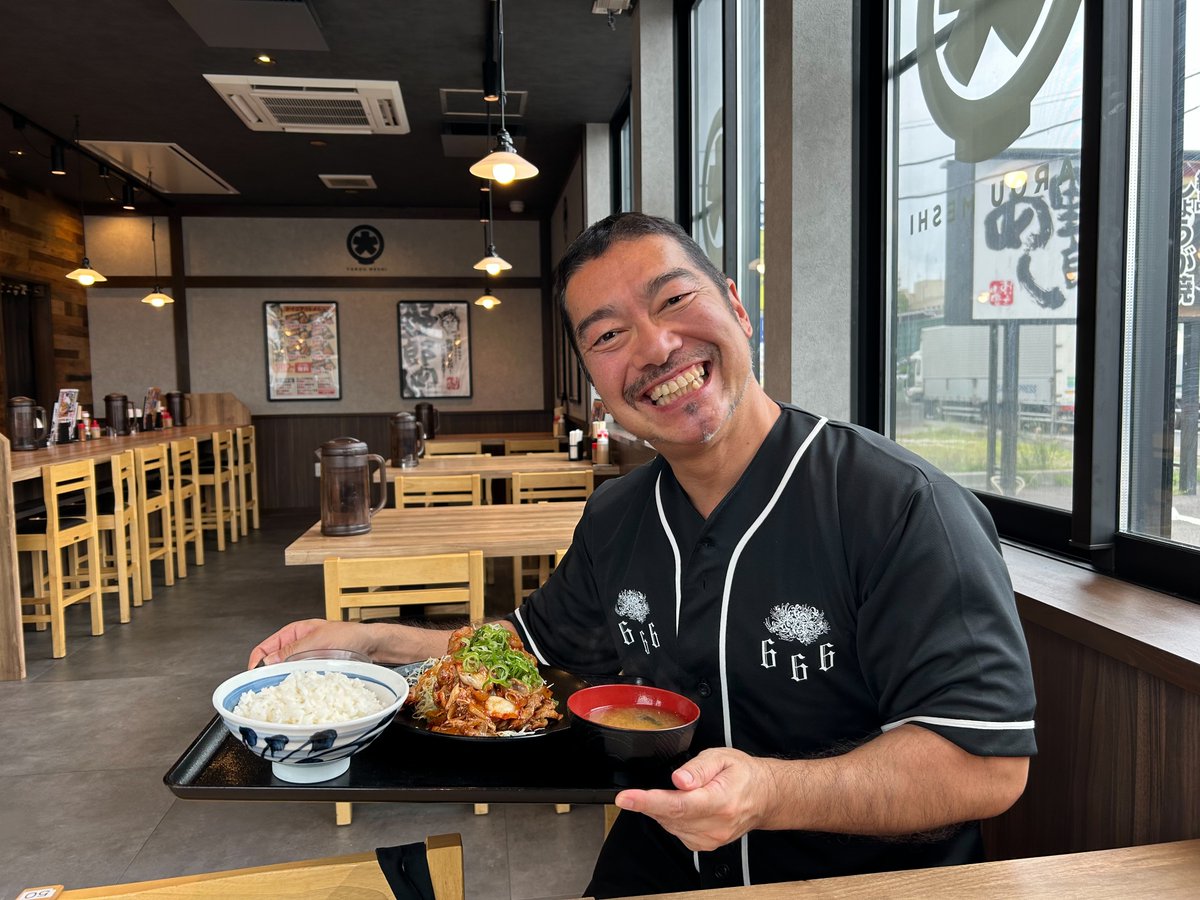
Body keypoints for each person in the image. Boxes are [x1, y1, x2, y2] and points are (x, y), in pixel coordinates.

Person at [251, 213, 1036, 897]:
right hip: (658, 867)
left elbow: (985, 764)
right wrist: (371, 644)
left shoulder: (897, 504)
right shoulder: (618, 515)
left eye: (674, 301)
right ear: (595, 380)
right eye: (608, 335)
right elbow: (524, 648)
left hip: (860, 884)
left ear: (737, 307)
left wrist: (768, 793)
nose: (656, 347)